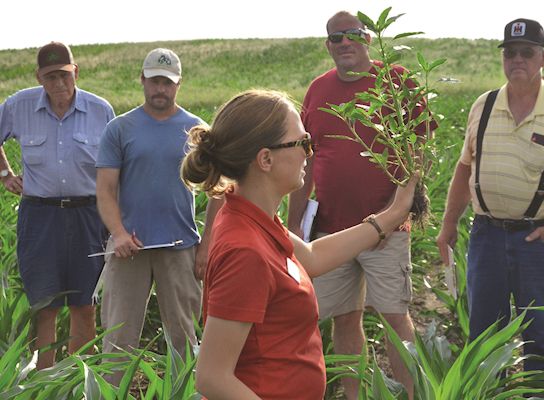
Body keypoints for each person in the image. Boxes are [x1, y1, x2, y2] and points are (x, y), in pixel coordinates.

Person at [183, 89, 417, 399]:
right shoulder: (245, 251)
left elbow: (313, 256)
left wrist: (391, 216)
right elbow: (212, 376)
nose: (310, 153)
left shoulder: (254, 217)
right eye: (303, 143)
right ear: (265, 159)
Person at [436, 18, 544, 385]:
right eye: (510, 53)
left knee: (540, 338)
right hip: (487, 236)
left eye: (527, 53)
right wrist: (448, 225)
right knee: (484, 337)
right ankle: (491, 394)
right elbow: (464, 168)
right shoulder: (485, 105)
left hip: (536, 242)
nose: (517, 60)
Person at [286, 10, 432, 398]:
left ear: (368, 38)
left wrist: (392, 215)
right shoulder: (318, 90)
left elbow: (417, 153)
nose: (345, 43)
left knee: (395, 318)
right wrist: (294, 226)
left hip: (387, 231)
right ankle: (354, 395)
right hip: (332, 231)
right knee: (343, 319)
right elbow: (308, 161)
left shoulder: (396, 82)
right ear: (327, 45)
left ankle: (408, 394)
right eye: (336, 37)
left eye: (352, 34)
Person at [96, 48, 222, 381]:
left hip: (180, 249)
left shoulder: (197, 131)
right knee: (117, 340)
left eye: (166, 82)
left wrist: (206, 246)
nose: (160, 89)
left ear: (178, 84)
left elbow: (218, 191)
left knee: (184, 339)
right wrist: (119, 233)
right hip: (128, 250)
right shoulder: (120, 128)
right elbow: (105, 190)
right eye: (154, 81)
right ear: (142, 81)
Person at [0, 42, 114, 369]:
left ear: (76, 72)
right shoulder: (18, 106)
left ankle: (78, 382)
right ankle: (45, 382)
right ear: (39, 78)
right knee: (44, 305)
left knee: (84, 304)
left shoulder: (100, 110)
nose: (59, 84)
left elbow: (116, 165)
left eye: (64, 75)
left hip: (88, 214)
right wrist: (5, 173)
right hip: (39, 216)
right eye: (51, 77)